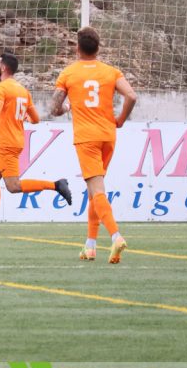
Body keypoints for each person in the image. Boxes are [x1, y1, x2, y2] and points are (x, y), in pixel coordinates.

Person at [0, 53, 72, 233]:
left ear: (3, 67)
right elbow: (35, 120)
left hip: (7, 143)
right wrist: (21, 116)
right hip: (14, 141)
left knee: (13, 186)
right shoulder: (23, 91)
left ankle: (56, 185)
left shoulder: (0, 89)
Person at [51, 27, 137, 263]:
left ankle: (116, 236)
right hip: (108, 136)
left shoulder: (68, 74)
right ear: (98, 49)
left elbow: (54, 108)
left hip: (86, 138)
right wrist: (120, 119)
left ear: (77, 49)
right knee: (94, 190)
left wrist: (66, 107)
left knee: (97, 190)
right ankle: (90, 246)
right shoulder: (111, 72)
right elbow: (131, 96)